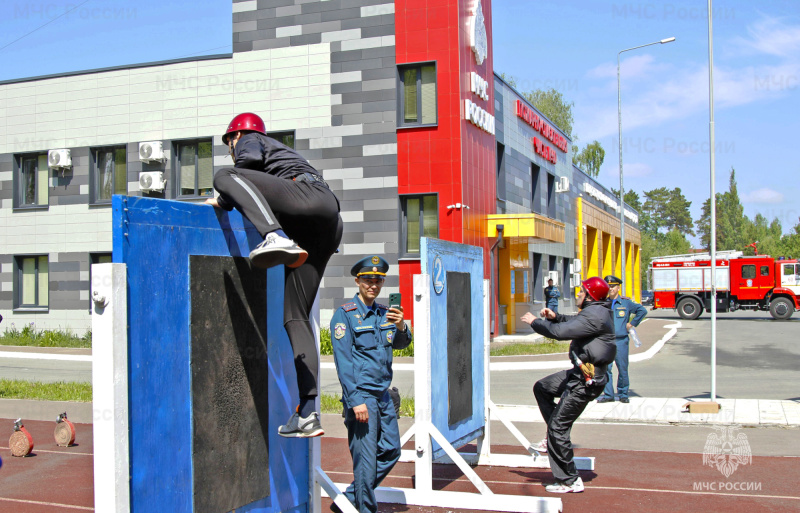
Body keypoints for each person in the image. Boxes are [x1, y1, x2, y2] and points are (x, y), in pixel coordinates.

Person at [207, 112, 344, 437]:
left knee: (223, 175)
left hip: (306, 200)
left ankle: (274, 235)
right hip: (327, 224)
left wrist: (223, 196)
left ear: (235, 136)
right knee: (294, 316)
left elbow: (244, 169)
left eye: (230, 143)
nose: (232, 148)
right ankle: (308, 412)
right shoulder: (282, 157)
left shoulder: (251, 140)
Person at [330, 256, 412, 513]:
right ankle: (365, 509)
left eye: (378, 280)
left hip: (383, 396)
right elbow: (343, 364)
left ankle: (349, 498)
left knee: (391, 450)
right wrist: (355, 401)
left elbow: (401, 343)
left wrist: (401, 326)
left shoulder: (384, 313)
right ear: (358, 281)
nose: (373, 285)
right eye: (368, 280)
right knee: (365, 462)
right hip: (363, 397)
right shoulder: (345, 316)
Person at [520, 277, 616, 493]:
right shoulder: (596, 311)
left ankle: (570, 480)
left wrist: (535, 322)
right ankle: (554, 437)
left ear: (590, 296)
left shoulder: (596, 315)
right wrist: (557, 316)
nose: (578, 295)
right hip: (579, 374)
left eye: (582, 292)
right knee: (542, 387)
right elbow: (574, 323)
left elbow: (559, 333)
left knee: (558, 427)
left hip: (586, 382)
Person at [596, 275, 648, 404]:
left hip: (621, 340)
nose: (610, 288)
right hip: (606, 341)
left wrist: (633, 323)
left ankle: (623, 393)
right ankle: (608, 394)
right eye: (608, 286)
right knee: (606, 369)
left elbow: (642, 311)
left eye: (612, 286)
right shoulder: (603, 302)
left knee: (622, 368)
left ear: (618, 288)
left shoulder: (625, 302)